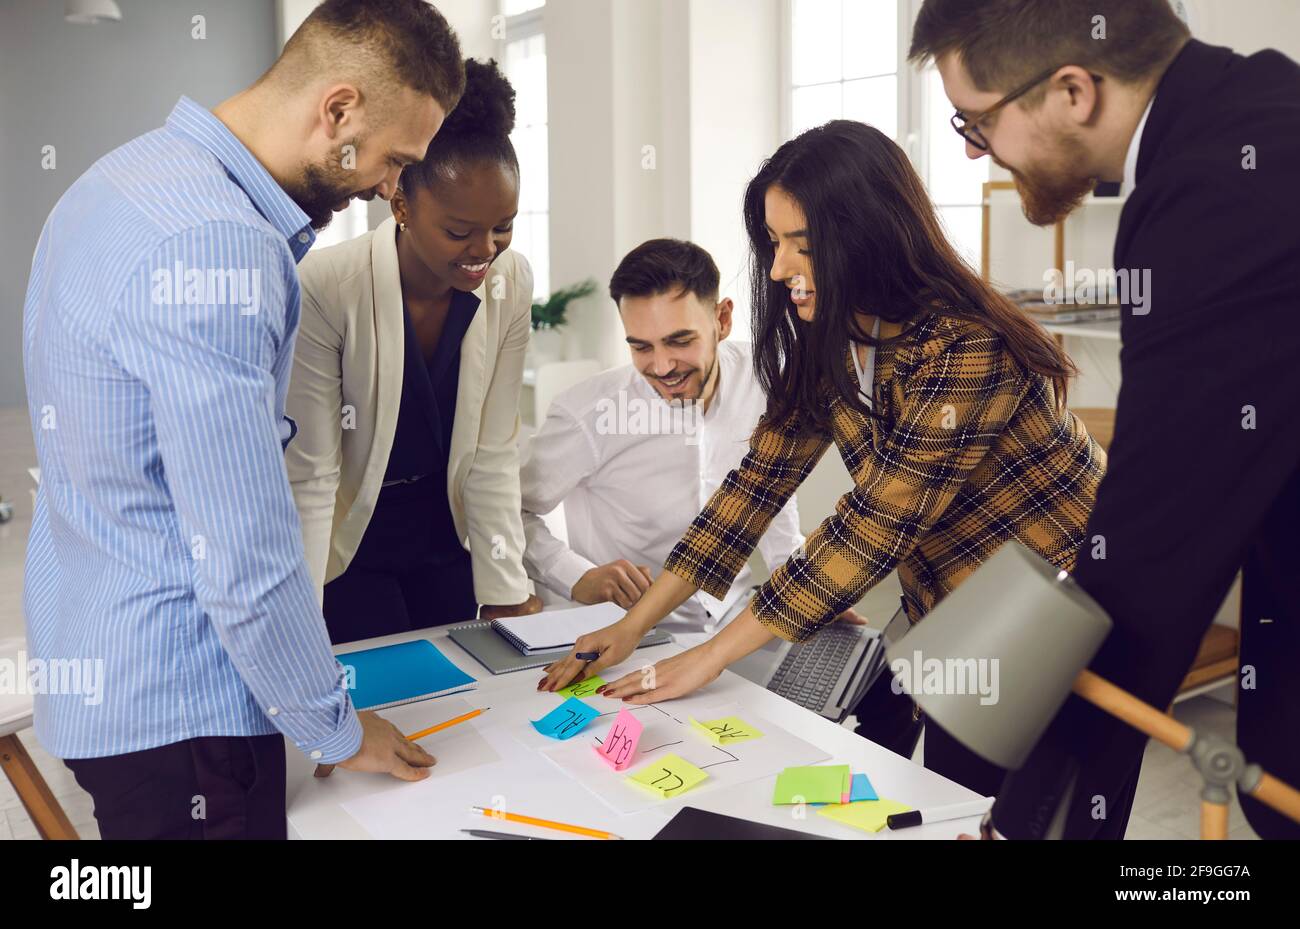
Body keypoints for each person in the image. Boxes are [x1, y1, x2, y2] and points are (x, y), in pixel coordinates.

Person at [540, 120, 1106, 798]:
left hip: (1071, 602)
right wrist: (634, 624)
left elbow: (874, 525)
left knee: (1041, 812)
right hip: (962, 608)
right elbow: (752, 487)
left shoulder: (967, 347)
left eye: (800, 246)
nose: (778, 268)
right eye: (773, 242)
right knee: (957, 799)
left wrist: (708, 658)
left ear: (867, 239)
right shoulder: (834, 337)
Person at [21, 0, 464, 839]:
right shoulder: (217, 243)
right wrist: (331, 721)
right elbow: (242, 548)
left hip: (102, 669)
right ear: (337, 110)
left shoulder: (121, 178)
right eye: (393, 158)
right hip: (185, 712)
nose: (388, 187)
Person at [912, 0, 1300, 839]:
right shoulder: (1261, 106)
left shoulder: (1214, 196)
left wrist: (1018, 815)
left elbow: (1157, 544)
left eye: (977, 122)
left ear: (1073, 91)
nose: (975, 150)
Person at [286, 58, 540, 645]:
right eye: (459, 231)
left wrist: (508, 588)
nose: (485, 250)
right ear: (400, 205)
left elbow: (494, 449)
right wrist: (295, 623)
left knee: (460, 703)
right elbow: (313, 474)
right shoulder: (326, 286)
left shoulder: (511, 281)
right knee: (380, 705)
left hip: (447, 532)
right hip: (350, 541)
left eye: (503, 226)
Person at [520, 238, 840, 642]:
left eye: (679, 341)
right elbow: (508, 513)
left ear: (722, 320)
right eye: (641, 347)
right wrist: (575, 575)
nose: (662, 366)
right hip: (627, 635)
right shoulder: (589, 415)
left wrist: (799, 589)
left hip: (736, 624)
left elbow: (771, 491)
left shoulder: (766, 380)